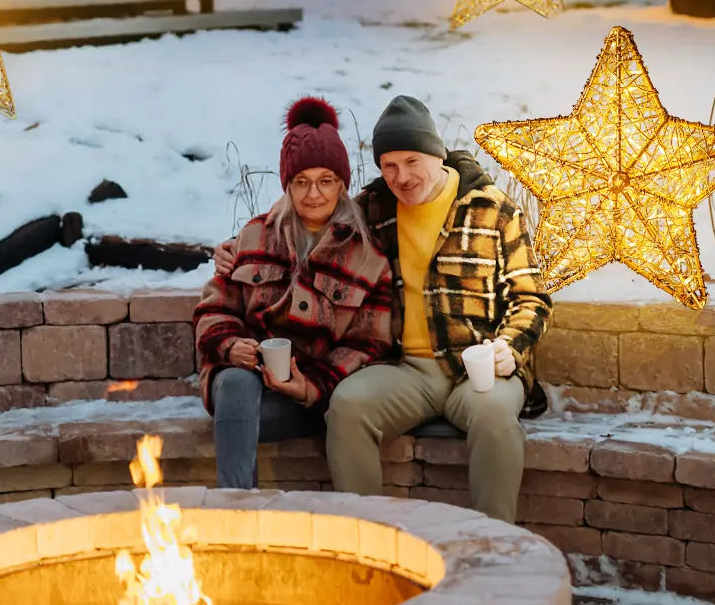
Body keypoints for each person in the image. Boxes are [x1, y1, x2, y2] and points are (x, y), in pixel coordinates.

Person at [213, 95, 551, 521]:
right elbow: (306, 220)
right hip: (406, 370)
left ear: (436, 154)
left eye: (412, 161)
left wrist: (509, 347)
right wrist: (233, 250)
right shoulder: (374, 208)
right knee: (348, 407)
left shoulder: (492, 210)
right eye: (389, 165)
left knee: (495, 420)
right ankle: (369, 538)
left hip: (478, 366)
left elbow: (531, 298)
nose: (402, 176)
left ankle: (495, 541)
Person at [194, 97, 394, 490]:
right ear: (287, 185)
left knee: (245, 417)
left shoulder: (367, 255)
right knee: (236, 383)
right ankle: (238, 511)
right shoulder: (256, 235)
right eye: (300, 182)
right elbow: (214, 307)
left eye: (325, 181)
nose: (313, 194)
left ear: (342, 184)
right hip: (243, 387)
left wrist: (309, 386)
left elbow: (371, 345)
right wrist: (232, 346)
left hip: (309, 399)